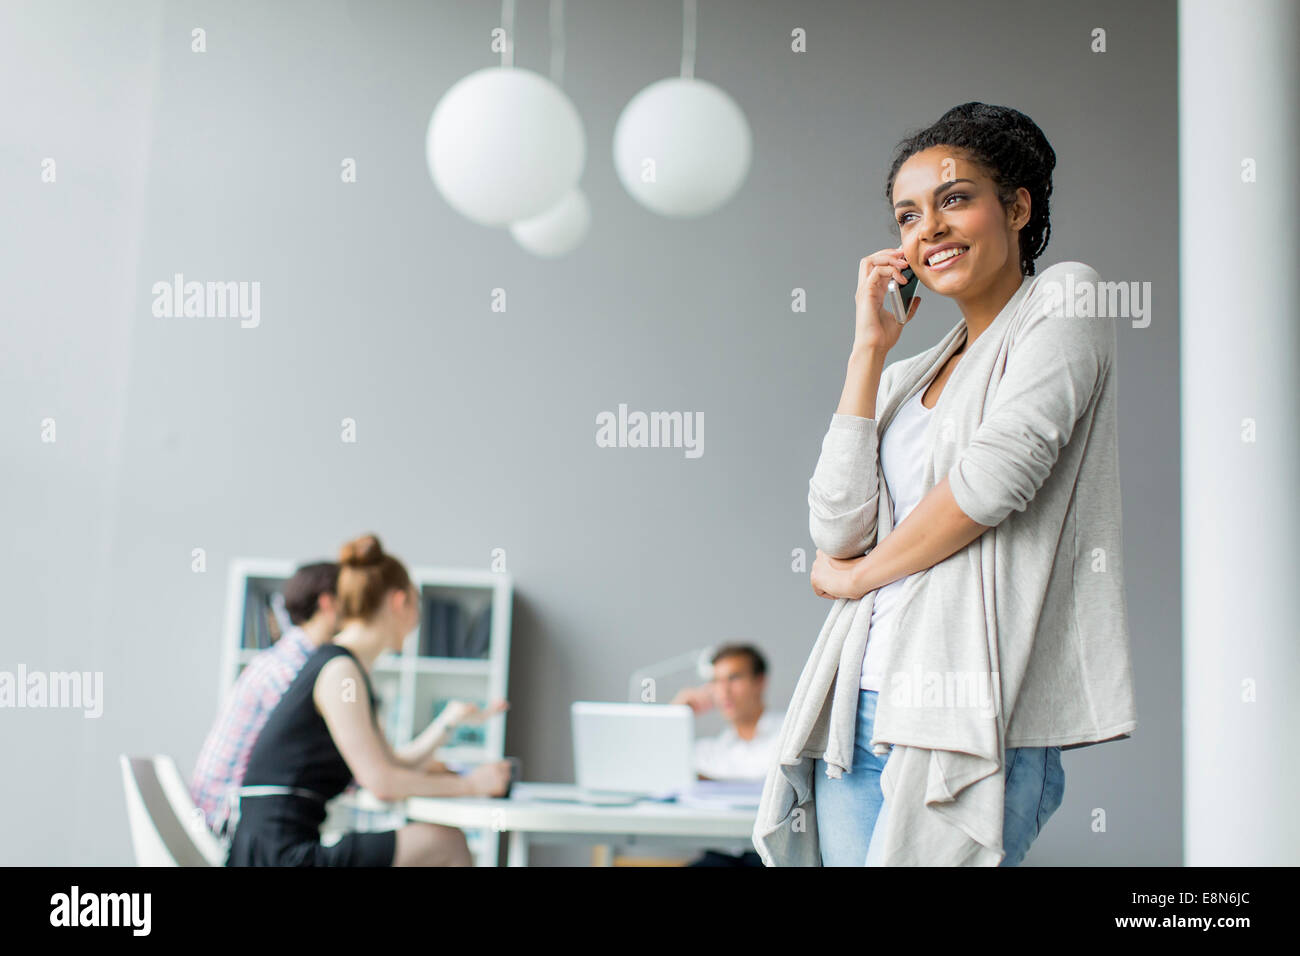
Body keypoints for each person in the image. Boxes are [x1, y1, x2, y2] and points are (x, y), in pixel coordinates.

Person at [761, 102, 1136, 866]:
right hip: (857, 701)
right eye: (908, 214)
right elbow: (835, 528)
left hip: (968, 706)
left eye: (954, 198)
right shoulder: (906, 374)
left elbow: (993, 481)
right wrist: (868, 352)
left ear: (1018, 207)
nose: (928, 227)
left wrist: (857, 578)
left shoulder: (1066, 299)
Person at [225, 534, 511, 866]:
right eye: (417, 605)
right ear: (399, 602)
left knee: (442, 841)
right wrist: (473, 785)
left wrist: (449, 723)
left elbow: (390, 763)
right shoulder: (340, 672)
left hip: (272, 849)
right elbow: (382, 784)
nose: (417, 621)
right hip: (276, 857)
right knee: (446, 843)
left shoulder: (343, 667)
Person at [190, 561, 341, 838]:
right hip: (229, 825)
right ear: (328, 603)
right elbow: (322, 764)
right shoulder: (292, 673)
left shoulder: (281, 661)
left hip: (217, 816)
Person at [672, 644, 782, 867]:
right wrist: (675, 717)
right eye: (715, 681)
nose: (723, 691)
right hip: (723, 854)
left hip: (770, 857)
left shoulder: (788, 735)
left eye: (734, 679)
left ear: (760, 682)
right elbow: (657, 771)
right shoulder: (714, 750)